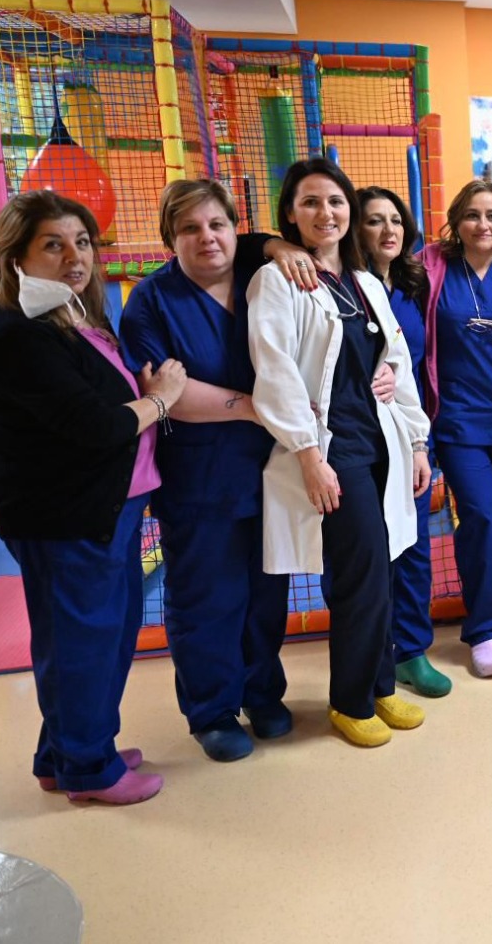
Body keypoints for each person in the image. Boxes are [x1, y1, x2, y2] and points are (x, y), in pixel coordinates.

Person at [0, 191, 186, 804]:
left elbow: (101, 406)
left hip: (106, 504)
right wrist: (161, 399)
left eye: (82, 242)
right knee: (84, 637)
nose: (74, 258)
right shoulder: (16, 332)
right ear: (17, 255)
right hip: (63, 511)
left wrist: (138, 397)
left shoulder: (71, 316)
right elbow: (96, 427)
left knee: (99, 632)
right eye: (54, 245)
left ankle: (62, 753)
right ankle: (88, 769)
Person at [118, 180, 318, 762]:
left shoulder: (266, 279)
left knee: (267, 591)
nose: (207, 238)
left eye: (217, 225)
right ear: (170, 240)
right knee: (208, 597)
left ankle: (262, 692)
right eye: (190, 229)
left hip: (273, 470)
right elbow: (166, 393)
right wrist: (260, 408)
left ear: (237, 230)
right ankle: (212, 709)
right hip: (200, 479)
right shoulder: (152, 301)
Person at [248, 158, 433, 747]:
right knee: (361, 576)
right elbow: (273, 371)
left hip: (380, 441)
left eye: (334, 201)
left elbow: (396, 363)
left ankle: (380, 687)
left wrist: (417, 439)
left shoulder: (367, 283)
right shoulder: (277, 281)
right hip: (334, 449)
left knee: (381, 569)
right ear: (290, 216)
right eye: (310, 202)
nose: (325, 213)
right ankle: (349, 700)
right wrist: (307, 453)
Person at [416, 180, 492, 678]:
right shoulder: (431, 265)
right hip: (459, 421)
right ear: (456, 220)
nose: (482, 225)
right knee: (481, 516)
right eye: (472, 215)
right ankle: (483, 628)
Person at [359, 185, 450, 698]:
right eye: (374, 221)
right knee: (370, 550)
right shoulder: (343, 285)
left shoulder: (413, 282)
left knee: (413, 545)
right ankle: (371, 655)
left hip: (411, 434)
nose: (388, 230)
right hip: (358, 439)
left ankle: (412, 650)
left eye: (395, 220)